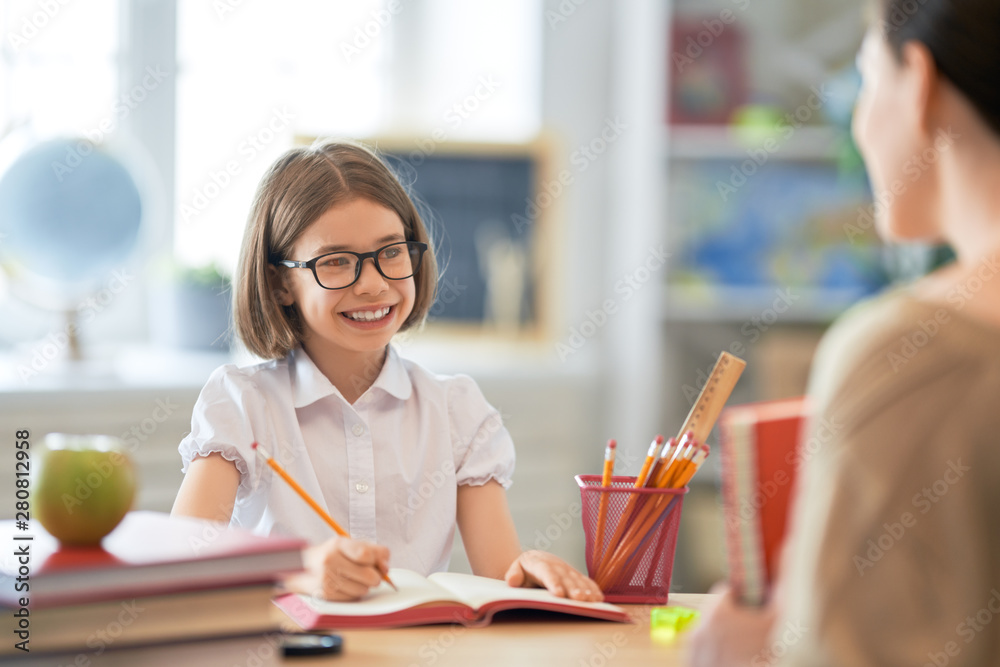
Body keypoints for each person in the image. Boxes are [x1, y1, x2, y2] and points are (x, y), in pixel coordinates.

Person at [689, 0, 1000, 664]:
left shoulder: (909, 354)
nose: (860, 123)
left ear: (918, 82)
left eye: (865, 81)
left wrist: (739, 656)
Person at [171, 140, 602, 603]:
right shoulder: (242, 404)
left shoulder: (457, 410)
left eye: (391, 252)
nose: (374, 284)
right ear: (280, 284)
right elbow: (181, 563)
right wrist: (297, 573)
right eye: (336, 262)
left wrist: (527, 571)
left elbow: (498, 577)